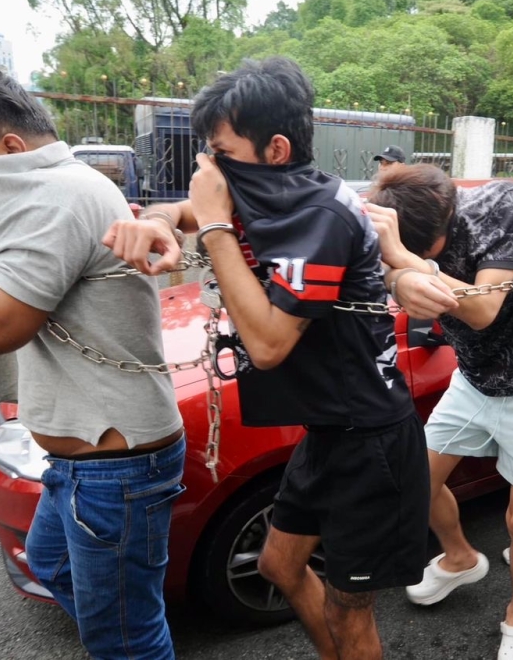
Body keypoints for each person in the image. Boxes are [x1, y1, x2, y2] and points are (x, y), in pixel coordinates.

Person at [105, 57, 429, 660]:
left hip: (371, 442)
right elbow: (187, 209)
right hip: (327, 431)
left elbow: (270, 345)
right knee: (280, 565)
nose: (208, 167)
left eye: (220, 152)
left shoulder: (322, 216)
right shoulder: (269, 193)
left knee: (348, 607)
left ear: (275, 148)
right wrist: (154, 219)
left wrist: (213, 225)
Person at [0, 69, 185, 659]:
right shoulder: (40, 190)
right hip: (83, 465)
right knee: (55, 566)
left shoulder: (55, 196)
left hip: (113, 469)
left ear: (9, 149)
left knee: (124, 637)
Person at [365, 163, 513, 660]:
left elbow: (483, 310)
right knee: (414, 478)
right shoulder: (390, 236)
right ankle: (461, 557)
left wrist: (401, 258)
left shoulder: (506, 206)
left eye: (428, 252)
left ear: (445, 219)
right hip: (475, 380)